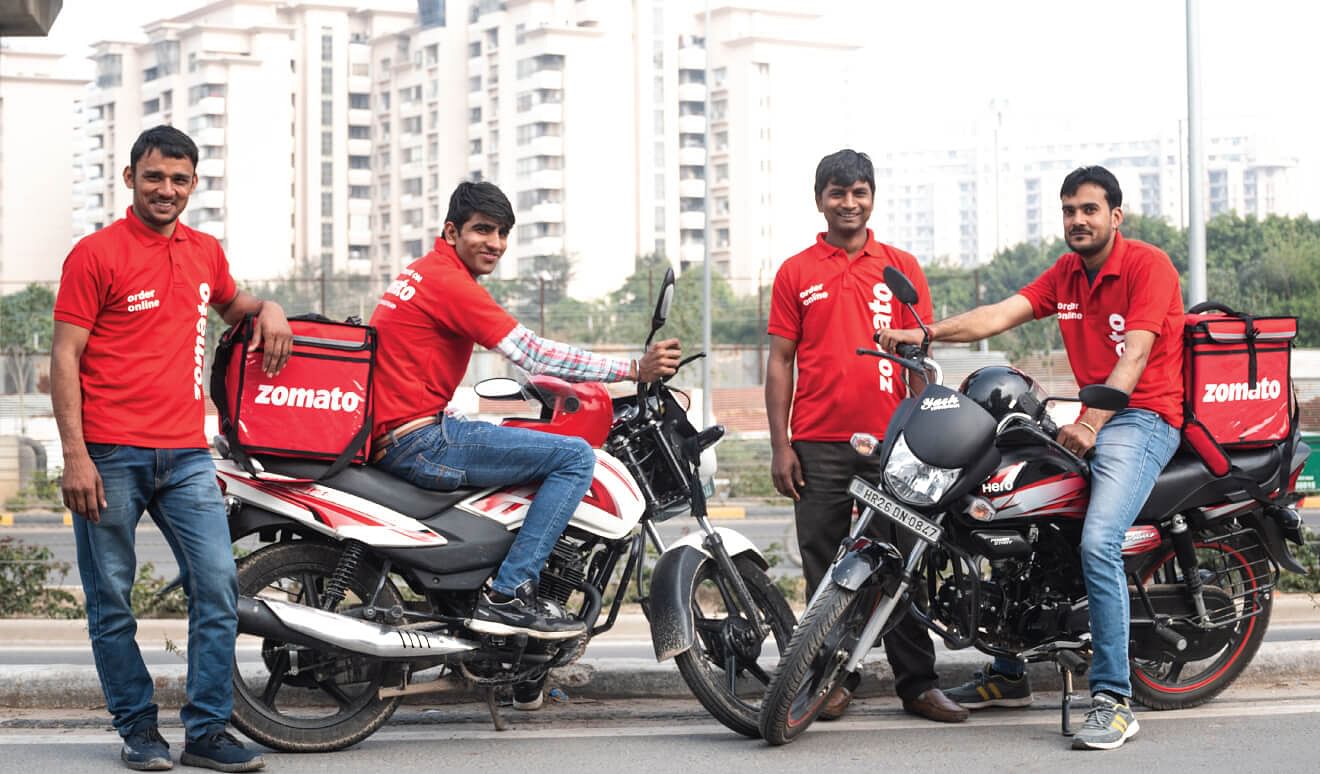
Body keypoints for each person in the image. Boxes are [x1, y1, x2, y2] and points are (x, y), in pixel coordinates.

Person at [880, 165, 1184, 750]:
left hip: (1141, 418)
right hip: (1089, 411)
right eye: (1069, 210)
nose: (1077, 220)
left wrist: (1092, 422)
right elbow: (1003, 312)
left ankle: (1113, 700)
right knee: (1001, 511)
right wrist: (930, 335)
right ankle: (1010, 672)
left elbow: (1138, 354)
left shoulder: (1149, 266)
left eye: (1089, 210)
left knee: (1098, 540)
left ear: (1115, 217)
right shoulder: (1068, 273)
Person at [52, 125, 290, 772]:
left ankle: (207, 732)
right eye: (155, 177)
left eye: (180, 179)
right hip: (108, 455)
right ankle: (138, 732)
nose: (167, 189)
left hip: (187, 456)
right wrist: (74, 456)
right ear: (130, 179)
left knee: (216, 588)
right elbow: (64, 357)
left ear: (193, 184)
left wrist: (267, 307)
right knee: (111, 600)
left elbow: (232, 304)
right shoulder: (95, 254)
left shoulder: (204, 252)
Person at [368, 181, 680, 647]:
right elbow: (530, 352)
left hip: (411, 427)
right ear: (451, 231)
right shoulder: (448, 282)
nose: (494, 243)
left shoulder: (425, 272)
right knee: (575, 458)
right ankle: (508, 594)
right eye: (482, 230)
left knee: (509, 434)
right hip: (417, 441)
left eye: (502, 233)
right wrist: (633, 370)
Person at [765, 149, 969, 725]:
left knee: (901, 566)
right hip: (817, 444)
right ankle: (829, 679)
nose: (848, 203)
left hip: (894, 445)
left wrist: (923, 437)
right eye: (837, 193)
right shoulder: (795, 271)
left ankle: (918, 685)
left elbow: (918, 357)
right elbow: (781, 361)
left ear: (872, 196)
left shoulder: (899, 265)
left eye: (859, 192)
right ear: (820, 199)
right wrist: (781, 445)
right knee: (826, 569)